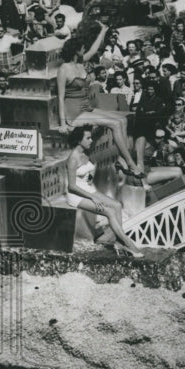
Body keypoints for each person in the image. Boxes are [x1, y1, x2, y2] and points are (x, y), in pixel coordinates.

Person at [55, 27, 146, 178]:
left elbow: (94, 48)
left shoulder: (81, 61)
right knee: (115, 124)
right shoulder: (64, 69)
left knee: (122, 120)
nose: (85, 51)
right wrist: (63, 123)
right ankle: (131, 164)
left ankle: (122, 159)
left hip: (86, 107)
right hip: (74, 113)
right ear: (75, 50)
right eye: (82, 49)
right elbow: (60, 97)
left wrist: (102, 30)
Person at [64, 126, 143, 257]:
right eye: (88, 138)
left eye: (91, 137)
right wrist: (92, 197)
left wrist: (88, 178)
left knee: (117, 205)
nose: (91, 140)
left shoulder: (85, 153)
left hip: (87, 189)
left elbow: (85, 172)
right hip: (75, 195)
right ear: (79, 140)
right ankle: (128, 243)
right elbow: (71, 187)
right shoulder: (73, 159)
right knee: (109, 211)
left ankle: (119, 242)